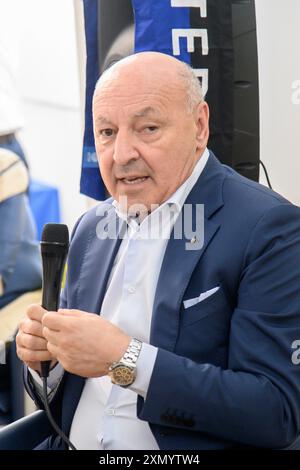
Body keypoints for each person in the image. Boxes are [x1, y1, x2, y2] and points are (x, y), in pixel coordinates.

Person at [17, 52, 300, 450]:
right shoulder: (89, 228)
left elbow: (275, 413)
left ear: (199, 126)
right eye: (107, 133)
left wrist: (125, 359)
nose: (121, 155)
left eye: (147, 128)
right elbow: (63, 394)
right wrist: (48, 360)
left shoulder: (268, 229)